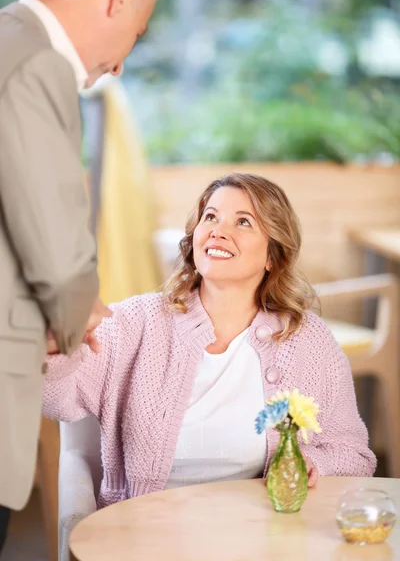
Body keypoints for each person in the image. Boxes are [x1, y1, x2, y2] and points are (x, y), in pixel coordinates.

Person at [43, 173, 376, 509]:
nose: (218, 231)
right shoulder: (136, 322)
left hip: (263, 535)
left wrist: (313, 465)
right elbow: (57, 401)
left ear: (272, 256)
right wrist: (57, 344)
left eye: (243, 222)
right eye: (211, 217)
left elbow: (354, 455)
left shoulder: (307, 340)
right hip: (146, 533)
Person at [0, 0, 161, 544]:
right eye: (136, 33)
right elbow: (56, 245)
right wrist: (78, 315)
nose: (119, 64)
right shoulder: (37, 63)